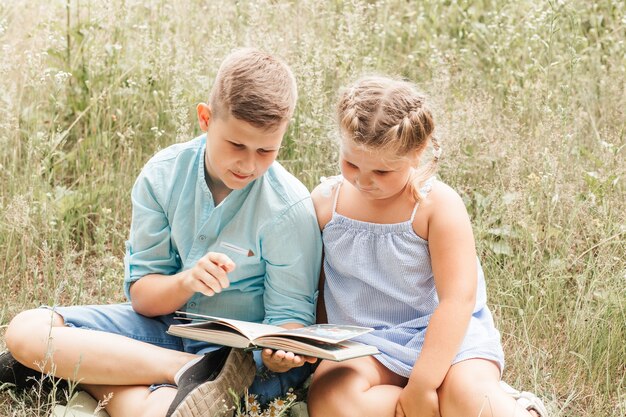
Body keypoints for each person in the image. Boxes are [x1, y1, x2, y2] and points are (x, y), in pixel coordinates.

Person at [2, 48, 320, 417]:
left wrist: (280, 354)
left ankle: (81, 369)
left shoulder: (289, 208)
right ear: (205, 118)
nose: (249, 164)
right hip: (169, 330)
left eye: (266, 150)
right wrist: (187, 282)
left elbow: (290, 321)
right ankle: (181, 371)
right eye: (236, 145)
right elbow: (144, 299)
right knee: (26, 330)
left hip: (242, 359)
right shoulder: (163, 175)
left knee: (159, 412)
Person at [307, 75, 548, 417]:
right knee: (333, 402)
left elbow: (457, 300)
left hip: (445, 339)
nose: (363, 180)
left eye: (382, 171)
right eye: (351, 164)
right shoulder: (325, 204)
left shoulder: (437, 206)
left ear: (416, 155)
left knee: (467, 396)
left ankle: (494, 403)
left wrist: (422, 385)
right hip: (365, 342)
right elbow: (318, 289)